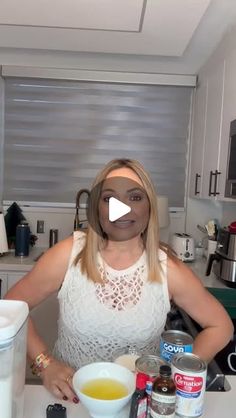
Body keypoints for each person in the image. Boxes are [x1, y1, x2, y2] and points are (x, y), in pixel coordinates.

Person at [5, 158, 233, 404]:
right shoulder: (68, 255)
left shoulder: (168, 268)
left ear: (149, 207)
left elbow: (220, 326)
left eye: (135, 197)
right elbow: (9, 309)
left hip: (140, 403)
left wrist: (173, 379)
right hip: (72, 400)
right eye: (109, 199)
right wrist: (45, 364)